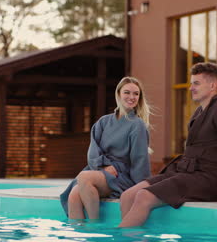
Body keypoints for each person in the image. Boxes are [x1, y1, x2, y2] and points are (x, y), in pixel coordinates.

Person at [118, 62, 217, 228]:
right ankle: (134, 239)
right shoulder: (198, 113)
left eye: (196, 83)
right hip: (186, 173)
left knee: (143, 196)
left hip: (208, 180)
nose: (191, 87)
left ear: (212, 85)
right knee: (128, 195)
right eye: (191, 83)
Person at [60, 76, 152, 220]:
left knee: (84, 177)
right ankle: (79, 236)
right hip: (99, 170)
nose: (131, 97)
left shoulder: (137, 124)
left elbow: (139, 160)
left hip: (122, 176)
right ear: (119, 94)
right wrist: (103, 166)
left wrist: (140, 188)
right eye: (127, 92)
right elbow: (93, 151)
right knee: (73, 196)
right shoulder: (103, 122)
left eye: (136, 94)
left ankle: (94, 226)